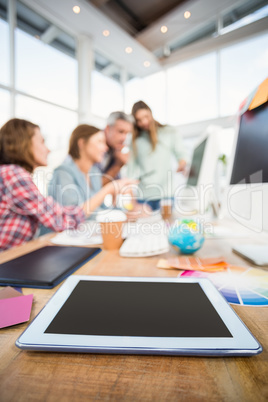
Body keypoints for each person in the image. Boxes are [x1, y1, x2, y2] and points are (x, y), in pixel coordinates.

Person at [0, 119, 135, 251]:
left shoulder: (94, 171)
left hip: (20, 254)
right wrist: (108, 190)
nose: (48, 149)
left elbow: (97, 210)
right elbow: (62, 219)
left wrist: (123, 214)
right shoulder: (13, 174)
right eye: (42, 142)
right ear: (23, 144)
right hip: (16, 256)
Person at [127, 100, 187, 211]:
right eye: (139, 120)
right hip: (143, 195)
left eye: (146, 116)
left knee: (168, 226)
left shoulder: (169, 132)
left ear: (151, 113)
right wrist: (132, 199)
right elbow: (130, 171)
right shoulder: (135, 140)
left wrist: (182, 164)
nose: (144, 122)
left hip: (166, 194)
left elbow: (181, 155)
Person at [100, 111, 133, 185]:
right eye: (121, 132)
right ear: (108, 129)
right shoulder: (94, 145)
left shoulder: (114, 148)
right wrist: (118, 165)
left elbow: (116, 183)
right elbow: (94, 188)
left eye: (127, 133)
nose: (124, 138)